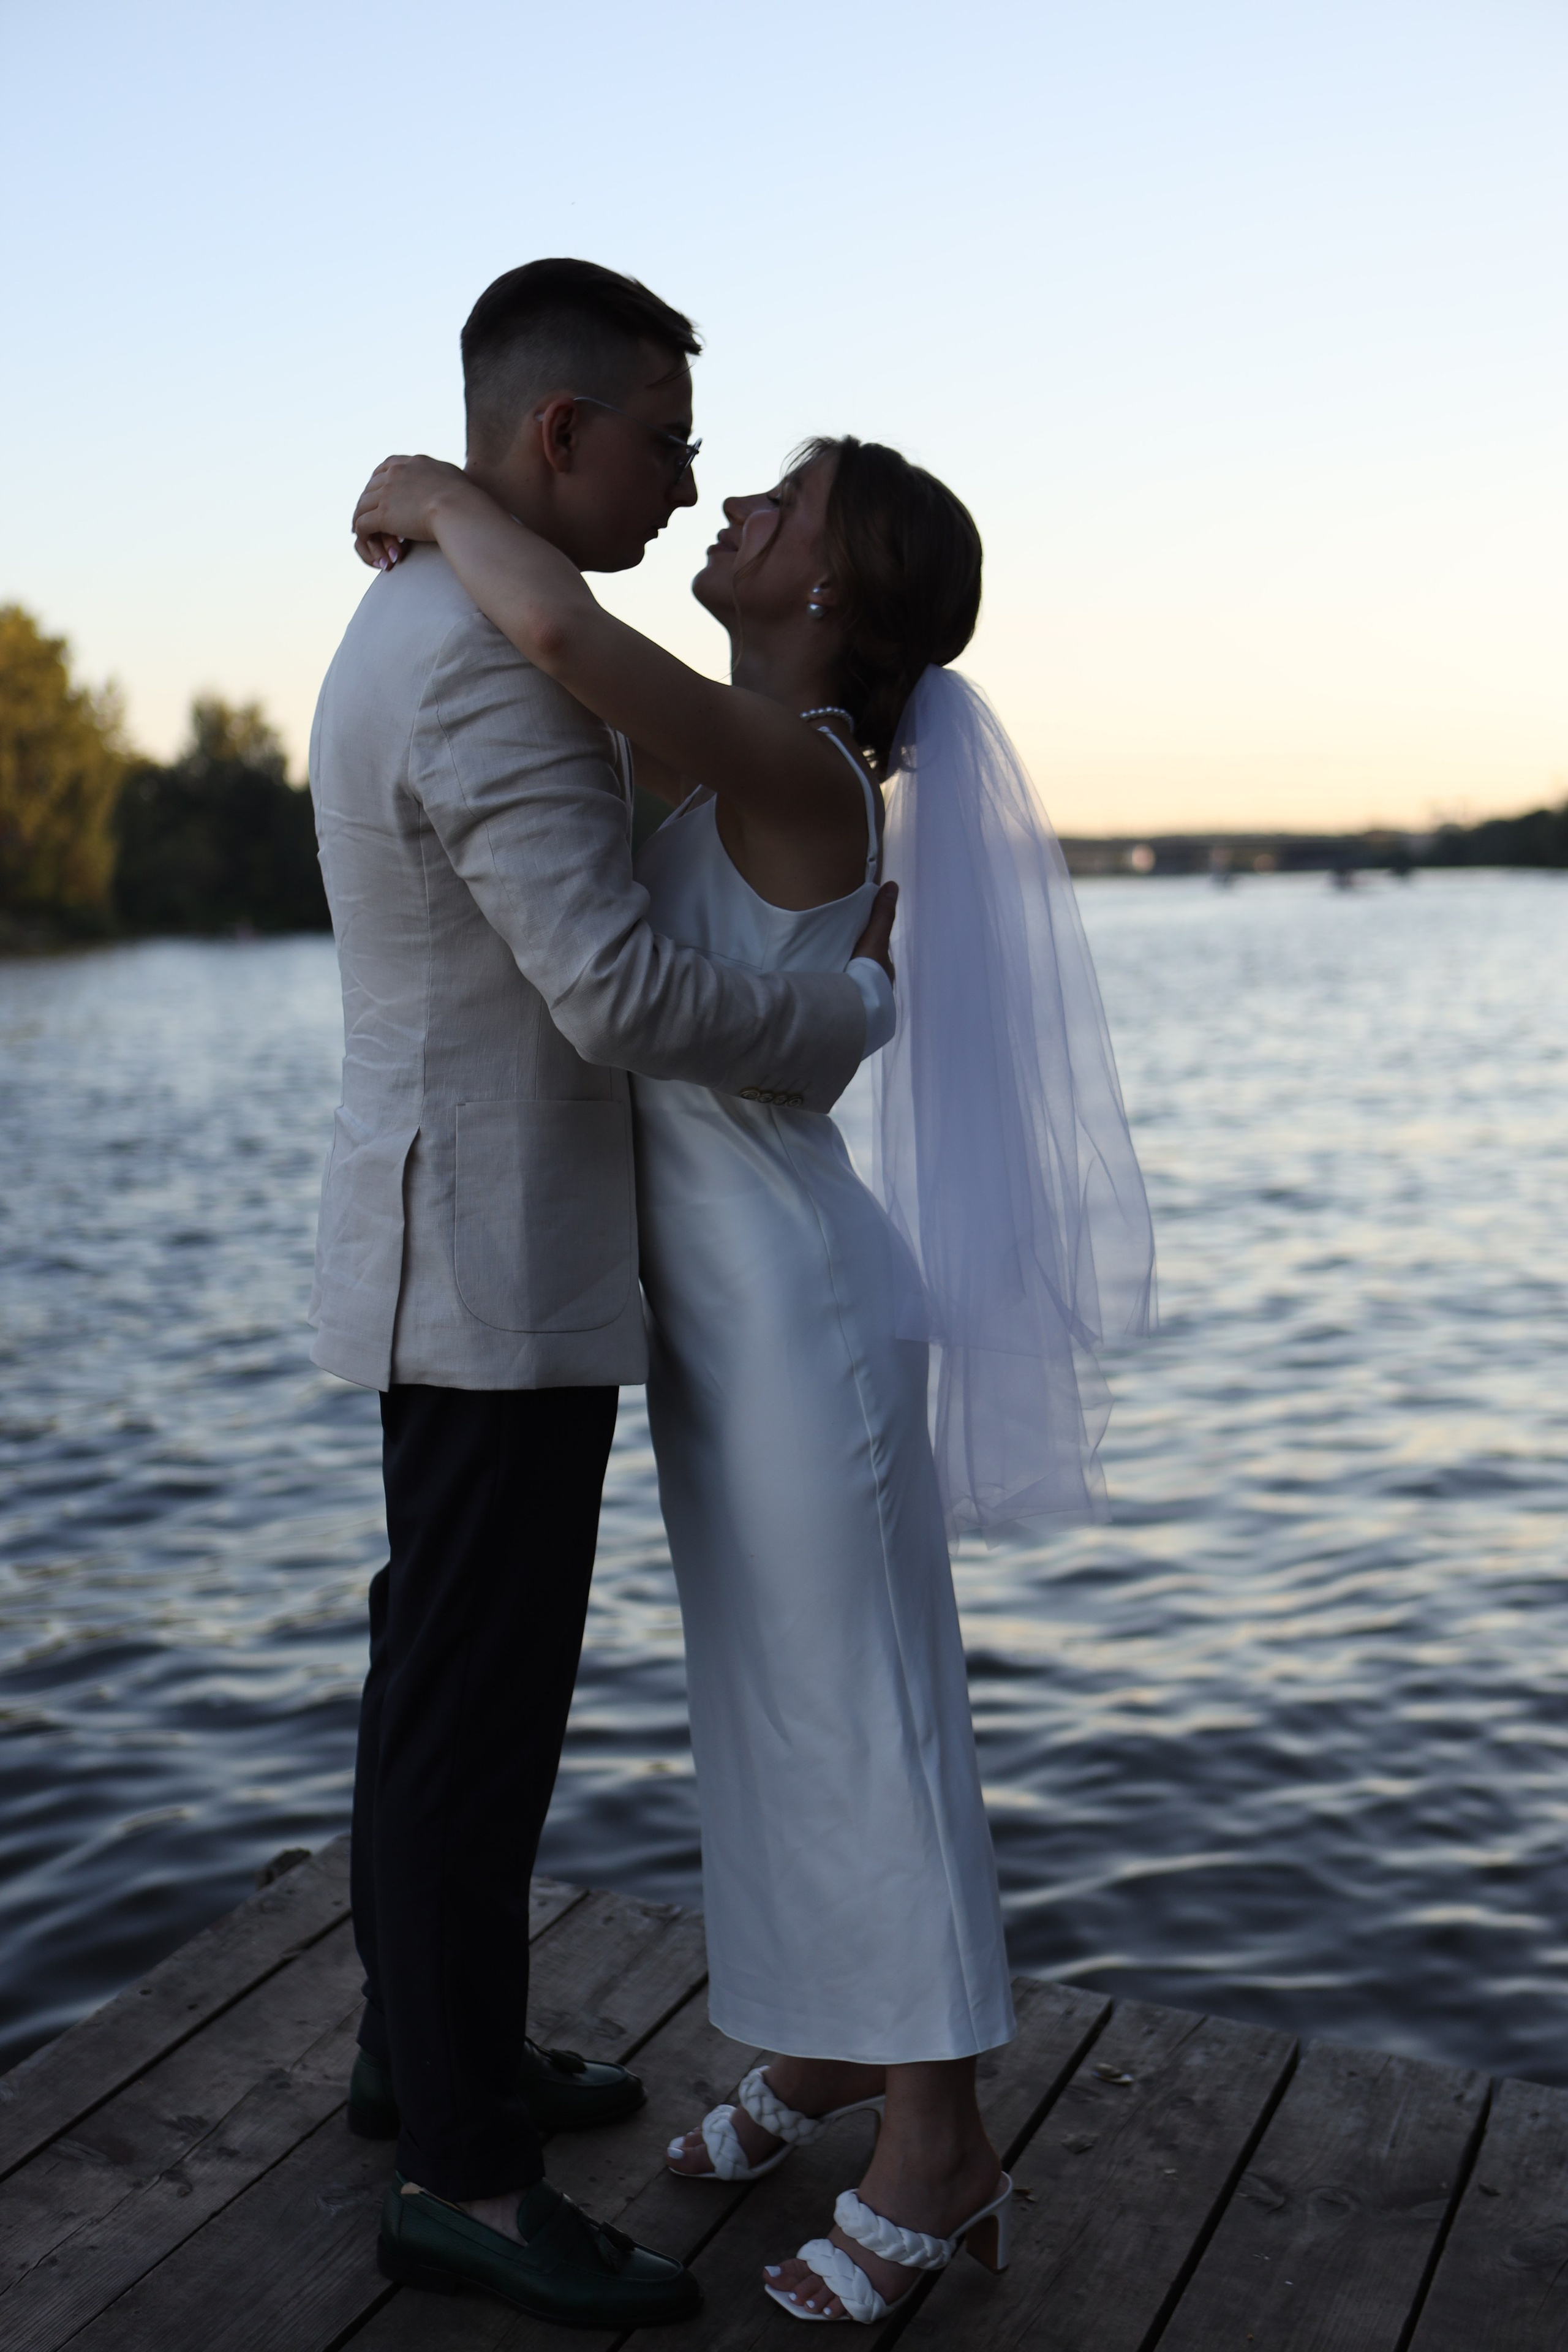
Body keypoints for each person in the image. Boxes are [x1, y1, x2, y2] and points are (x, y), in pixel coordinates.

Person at [351, 422, 1155, 2323]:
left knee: (866, 1721)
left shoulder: (796, 773)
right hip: (720, 1330)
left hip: (796, 1319)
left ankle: (940, 2141)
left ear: (828, 591)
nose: (733, 510)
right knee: (776, 1714)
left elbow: (552, 638)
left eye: (775, 501)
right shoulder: (716, 765)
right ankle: (822, 2049)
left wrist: (441, 488)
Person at [309, 258, 898, 2334]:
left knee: (432, 1686)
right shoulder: (482, 661)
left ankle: (424, 2055)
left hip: (456, 1237)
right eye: (665, 440)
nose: (687, 479)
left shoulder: (449, 611)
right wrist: (841, 1023)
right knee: (473, 1726)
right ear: (556, 436)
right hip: (493, 1261)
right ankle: (462, 2178)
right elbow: (623, 990)